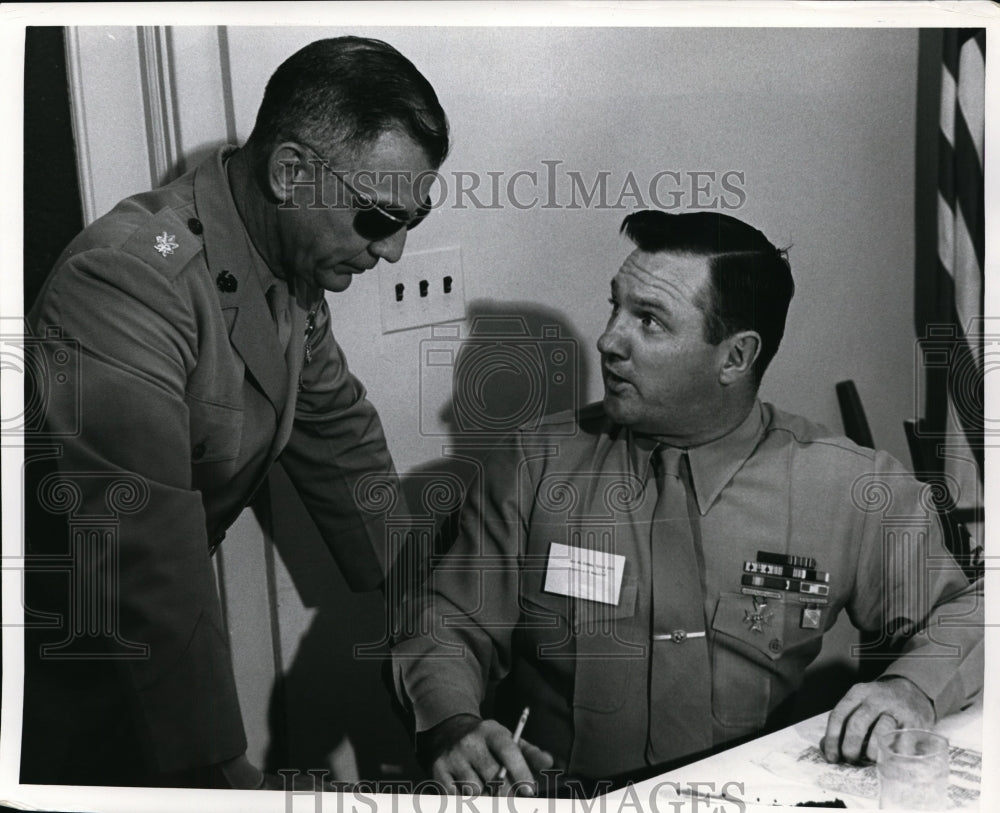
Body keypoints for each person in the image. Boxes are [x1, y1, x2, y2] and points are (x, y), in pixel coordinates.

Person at [391, 210, 983, 796]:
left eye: (648, 321)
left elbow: (972, 614)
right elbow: (447, 623)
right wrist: (451, 723)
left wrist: (912, 688)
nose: (609, 340)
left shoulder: (849, 491)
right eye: (615, 306)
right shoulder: (534, 465)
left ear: (735, 357)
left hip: (748, 797)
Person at [22, 36, 448, 789]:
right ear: (290, 172)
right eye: (380, 218)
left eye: (413, 218)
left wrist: (429, 614)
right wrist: (222, 774)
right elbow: (144, 550)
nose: (394, 253)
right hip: (57, 659)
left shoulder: (285, 264)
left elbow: (341, 439)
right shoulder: (126, 281)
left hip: (140, 641)